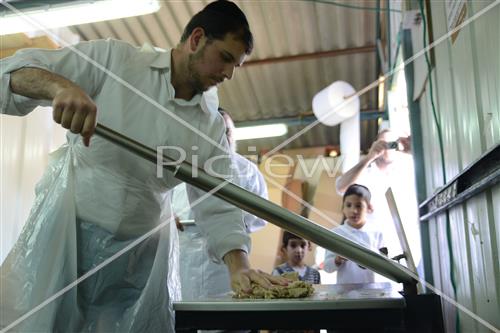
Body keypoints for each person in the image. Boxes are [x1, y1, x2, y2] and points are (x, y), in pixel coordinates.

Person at [0, 1, 287, 332]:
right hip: (65, 236)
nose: (228, 74)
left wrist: (239, 266)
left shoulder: (209, 126)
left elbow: (219, 201)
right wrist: (59, 86)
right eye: (225, 58)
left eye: (235, 66)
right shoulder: (116, 61)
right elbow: (12, 72)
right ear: (196, 39)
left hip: (137, 262)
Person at [174, 108, 269, 300]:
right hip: (183, 253)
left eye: (226, 131)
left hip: (227, 260)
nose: (222, 138)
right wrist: (167, 215)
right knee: (184, 309)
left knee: (224, 312)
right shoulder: (182, 165)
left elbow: (260, 213)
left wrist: (235, 225)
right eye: (216, 132)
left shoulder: (247, 171)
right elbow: (161, 199)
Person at [335, 129, 422, 271]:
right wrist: (369, 157)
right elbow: (341, 187)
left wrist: (413, 150)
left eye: (392, 143)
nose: (387, 147)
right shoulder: (365, 175)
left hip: (409, 249)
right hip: (375, 252)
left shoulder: (408, 171)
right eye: (383, 143)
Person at [323, 184, 386, 284]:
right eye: (348, 205)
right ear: (342, 208)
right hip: (344, 293)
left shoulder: (376, 234)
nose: (354, 211)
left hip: (370, 292)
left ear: (368, 208)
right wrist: (338, 259)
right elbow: (327, 267)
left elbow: (385, 266)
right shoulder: (336, 233)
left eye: (359, 206)